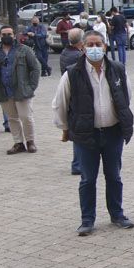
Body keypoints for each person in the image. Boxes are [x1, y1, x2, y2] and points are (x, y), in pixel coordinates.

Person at [51, 31, 134, 236]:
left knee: (114, 176)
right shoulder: (72, 73)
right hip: (85, 134)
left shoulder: (117, 69)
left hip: (113, 132)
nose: (94, 48)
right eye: (90, 44)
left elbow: (126, 97)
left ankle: (117, 214)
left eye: (98, 44)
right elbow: (60, 103)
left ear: (105, 46)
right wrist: (65, 129)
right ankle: (87, 220)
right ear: (82, 47)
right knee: (88, 179)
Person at [0, 25, 40, 155]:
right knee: (12, 118)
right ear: (0, 35)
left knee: (26, 117)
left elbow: (35, 68)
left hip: (22, 91)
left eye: (9, 34)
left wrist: (31, 86)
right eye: (3, 34)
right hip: (4, 91)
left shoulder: (24, 50)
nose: (6, 37)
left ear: (14, 35)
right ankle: (18, 143)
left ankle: (30, 141)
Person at [59, 28, 85, 175]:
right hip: (76, 97)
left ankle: (78, 163)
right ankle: (77, 164)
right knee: (79, 135)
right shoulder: (76, 56)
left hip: (72, 96)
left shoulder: (65, 52)